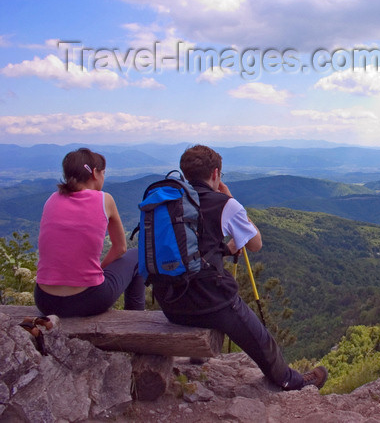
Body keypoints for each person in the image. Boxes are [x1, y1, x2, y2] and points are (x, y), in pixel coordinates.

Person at [151, 144, 327, 391]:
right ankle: (291, 380)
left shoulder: (170, 201)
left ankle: (198, 358)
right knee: (262, 340)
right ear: (215, 174)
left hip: (170, 304)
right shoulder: (223, 204)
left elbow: (191, 248)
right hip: (210, 303)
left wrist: (224, 249)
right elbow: (255, 243)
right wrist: (231, 199)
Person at [34, 148, 145, 317]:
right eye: (103, 173)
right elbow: (120, 248)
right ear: (94, 173)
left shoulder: (52, 199)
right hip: (89, 299)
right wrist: (99, 269)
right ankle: (135, 319)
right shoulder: (104, 199)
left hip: (45, 300)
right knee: (137, 255)